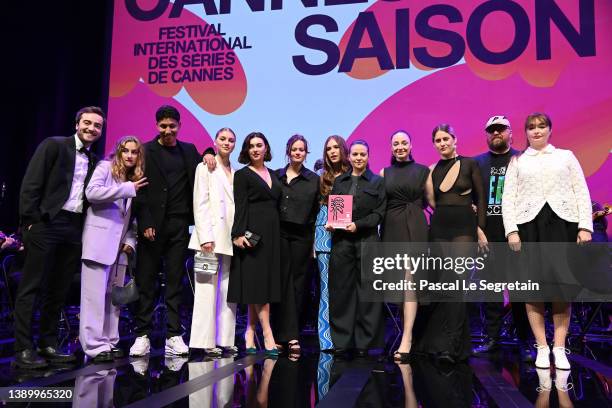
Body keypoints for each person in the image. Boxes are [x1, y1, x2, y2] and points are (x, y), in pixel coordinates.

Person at [15, 106, 104, 368]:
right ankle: (22, 349)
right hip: (46, 223)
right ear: (77, 124)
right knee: (31, 286)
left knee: (58, 289)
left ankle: (48, 343)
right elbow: (31, 184)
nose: (91, 128)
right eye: (87, 123)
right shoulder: (54, 145)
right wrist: (29, 221)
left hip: (74, 227)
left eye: (97, 125)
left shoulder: (95, 159)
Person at [502, 113, 592, 370]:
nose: (536, 131)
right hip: (529, 227)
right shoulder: (517, 161)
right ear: (526, 132)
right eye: (531, 127)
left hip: (563, 226)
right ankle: (542, 346)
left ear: (550, 129)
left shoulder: (566, 156)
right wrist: (512, 231)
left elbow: (581, 191)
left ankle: (560, 347)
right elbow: (508, 198)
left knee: (562, 288)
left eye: (541, 126)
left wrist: (585, 225)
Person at [130, 105, 202, 357]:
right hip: (152, 227)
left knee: (174, 283)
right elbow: (139, 189)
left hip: (179, 225)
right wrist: (146, 221)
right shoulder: (146, 151)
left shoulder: (189, 150)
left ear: (179, 126)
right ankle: (142, 335)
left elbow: (204, 168)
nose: (168, 130)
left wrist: (212, 152)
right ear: (156, 126)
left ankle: (173, 335)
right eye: (163, 126)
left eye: (172, 126)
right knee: (146, 282)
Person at [414, 124, 486, 363]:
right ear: (434, 144)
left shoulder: (470, 164)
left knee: (457, 284)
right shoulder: (432, 170)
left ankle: (453, 347)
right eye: (438, 140)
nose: (442, 143)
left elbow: (481, 199)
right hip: (439, 228)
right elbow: (432, 202)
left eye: (446, 138)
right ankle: (438, 343)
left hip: (465, 228)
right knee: (442, 286)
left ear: (455, 139)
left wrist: (480, 230)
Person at [80, 136, 148, 362]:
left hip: (119, 249)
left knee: (114, 299)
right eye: (125, 151)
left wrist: (130, 241)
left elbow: (129, 217)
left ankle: (109, 341)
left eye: (134, 152)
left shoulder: (134, 178)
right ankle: (93, 345)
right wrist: (126, 189)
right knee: (94, 298)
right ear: (118, 152)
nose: (130, 155)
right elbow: (92, 193)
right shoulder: (104, 168)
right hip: (98, 243)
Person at [472, 116, 532, 361]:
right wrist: (478, 232)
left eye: (501, 129)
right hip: (488, 238)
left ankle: (526, 342)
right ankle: (492, 339)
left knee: (520, 294)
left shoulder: (523, 160)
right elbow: (469, 200)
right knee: (492, 293)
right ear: (487, 134)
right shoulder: (477, 163)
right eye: (491, 130)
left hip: (517, 238)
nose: (496, 133)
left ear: (510, 133)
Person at [325, 140, 386, 357]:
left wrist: (357, 225)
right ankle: (342, 342)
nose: (359, 158)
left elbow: (379, 213)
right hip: (342, 242)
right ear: (348, 157)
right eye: (355, 154)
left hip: (368, 241)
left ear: (368, 156)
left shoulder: (378, 182)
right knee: (341, 291)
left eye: (363, 154)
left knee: (368, 292)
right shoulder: (340, 181)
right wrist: (332, 223)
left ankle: (365, 343)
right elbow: (336, 212)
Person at [228, 132, 281, 355]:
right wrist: (237, 234)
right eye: (251, 146)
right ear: (246, 150)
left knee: (259, 286)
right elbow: (240, 206)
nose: (256, 149)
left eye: (260, 145)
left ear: (266, 148)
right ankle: (267, 334)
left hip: (272, 235)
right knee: (259, 288)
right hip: (252, 235)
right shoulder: (242, 175)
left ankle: (249, 331)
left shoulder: (273, 173)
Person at [379, 131, 429, 362]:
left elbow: (433, 201)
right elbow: (378, 206)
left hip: (415, 228)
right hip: (391, 229)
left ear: (411, 145)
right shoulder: (384, 173)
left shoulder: (423, 171)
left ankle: (407, 337)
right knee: (398, 285)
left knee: (410, 282)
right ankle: (407, 330)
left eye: (404, 143)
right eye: (396, 143)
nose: (400, 147)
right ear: (391, 147)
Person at [187, 128, 238, 356]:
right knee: (207, 290)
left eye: (231, 140)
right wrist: (205, 236)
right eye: (223, 139)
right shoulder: (204, 167)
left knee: (228, 290)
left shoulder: (235, 171)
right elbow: (200, 203)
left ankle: (225, 339)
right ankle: (204, 341)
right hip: (209, 238)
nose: (227, 143)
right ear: (215, 142)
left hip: (229, 238)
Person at [272, 135, 320, 355]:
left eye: (302, 149)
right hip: (279, 235)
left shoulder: (313, 180)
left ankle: (293, 336)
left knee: (298, 286)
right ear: (288, 151)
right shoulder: (276, 176)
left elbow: (315, 213)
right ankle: (278, 335)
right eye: (294, 149)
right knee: (281, 285)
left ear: (306, 153)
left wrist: (314, 243)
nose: (298, 152)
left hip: (302, 237)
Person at [315, 135, 350, 352]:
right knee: (326, 290)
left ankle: (345, 337)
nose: (333, 151)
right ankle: (327, 340)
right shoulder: (322, 178)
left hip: (347, 236)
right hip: (324, 237)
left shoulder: (353, 174)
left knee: (345, 289)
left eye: (336, 147)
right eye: (329, 148)